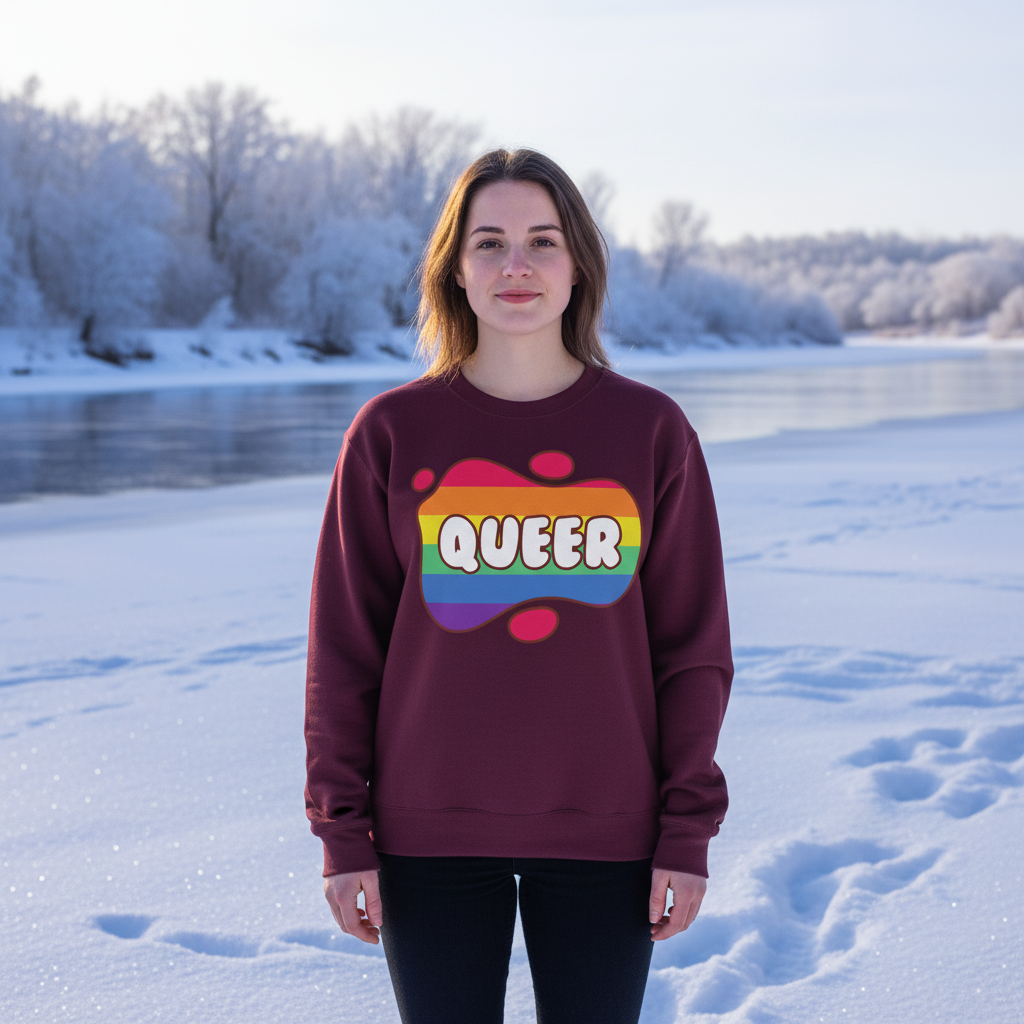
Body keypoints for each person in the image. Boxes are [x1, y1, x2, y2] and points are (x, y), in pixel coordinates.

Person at [304, 148, 733, 1024]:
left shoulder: (648, 431)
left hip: (609, 830)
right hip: (426, 832)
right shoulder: (391, 433)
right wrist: (342, 830)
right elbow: (345, 653)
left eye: (542, 240)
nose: (517, 266)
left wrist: (685, 829)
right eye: (489, 243)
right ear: (455, 270)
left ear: (579, 266)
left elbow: (692, 652)